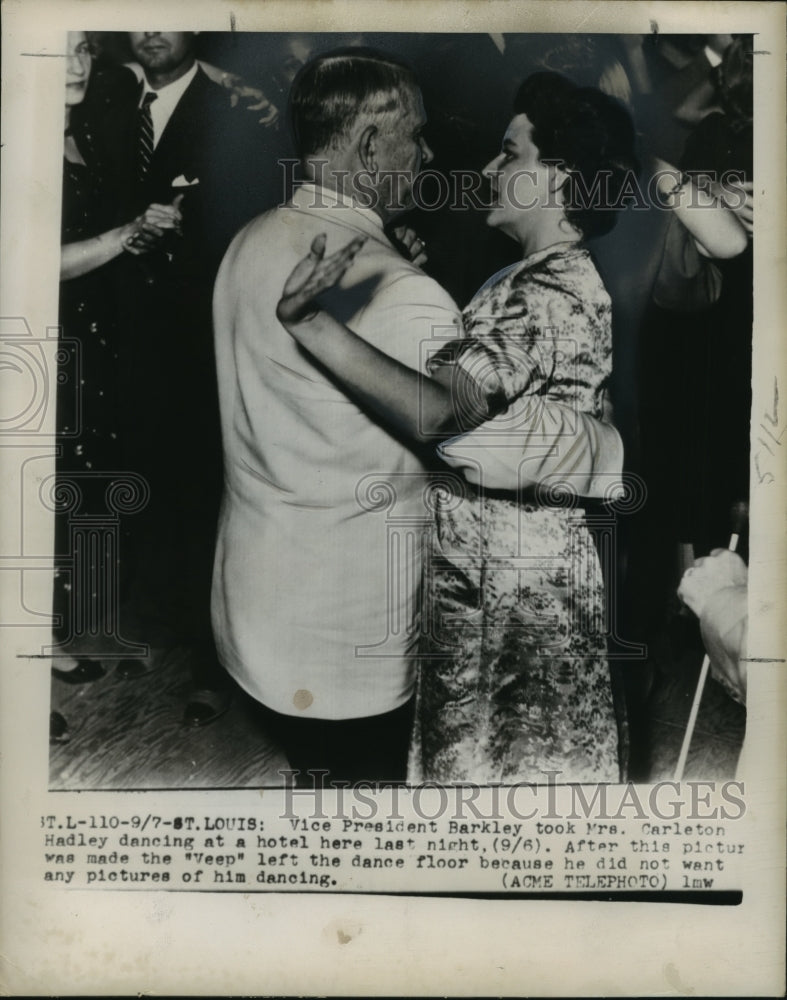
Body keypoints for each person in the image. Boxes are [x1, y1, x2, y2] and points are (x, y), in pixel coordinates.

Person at [212, 54, 626, 787]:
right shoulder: (403, 288)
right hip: (350, 629)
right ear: (371, 148)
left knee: (326, 787)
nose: (432, 154)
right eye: (418, 134)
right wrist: (608, 449)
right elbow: (478, 443)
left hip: (253, 602)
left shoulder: (249, 241)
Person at [93, 31, 275, 726]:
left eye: (168, 15)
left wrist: (184, 234)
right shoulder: (107, 98)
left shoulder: (240, 110)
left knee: (208, 482)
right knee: (143, 470)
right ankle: (162, 620)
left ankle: (214, 660)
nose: (151, 29)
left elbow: (253, 215)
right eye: (138, 16)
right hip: (122, 326)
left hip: (201, 326)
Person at [51, 31, 180, 739]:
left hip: (85, 335)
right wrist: (127, 233)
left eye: (84, 49)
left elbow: (136, 71)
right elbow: (34, 263)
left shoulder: (87, 125)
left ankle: (48, 634)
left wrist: (144, 226)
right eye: (59, 49)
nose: (76, 64)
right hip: (37, 342)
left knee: (65, 486)